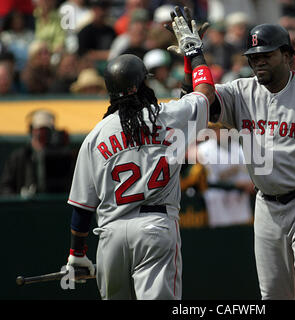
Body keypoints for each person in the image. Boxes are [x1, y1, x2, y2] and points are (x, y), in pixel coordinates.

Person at [63, 7, 215, 300]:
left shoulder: (95, 136)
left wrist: (76, 255)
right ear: (142, 84)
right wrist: (193, 52)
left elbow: (82, 208)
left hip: (110, 236)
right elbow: (203, 95)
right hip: (155, 227)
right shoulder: (167, 116)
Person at [182, 23, 295, 299]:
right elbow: (203, 98)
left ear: (288, 55)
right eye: (254, 56)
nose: (259, 61)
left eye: (266, 54)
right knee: (273, 293)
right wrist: (194, 56)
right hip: (267, 203)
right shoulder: (241, 91)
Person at [0, 109, 73, 196]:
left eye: (46, 130)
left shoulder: (61, 156)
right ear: (32, 130)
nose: (42, 134)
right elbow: (5, 186)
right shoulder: (19, 156)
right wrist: (18, 198)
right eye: (39, 129)